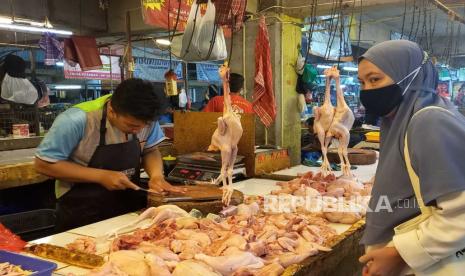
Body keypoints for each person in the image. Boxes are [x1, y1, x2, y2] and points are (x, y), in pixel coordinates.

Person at [357, 40, 465, 276]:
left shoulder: (430, 121)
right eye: (362, 82)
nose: (366, 90)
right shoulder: (400, 119)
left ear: (410, 76)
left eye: (375, 79)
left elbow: (460, 215)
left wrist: (400, 253)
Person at [35, 78, 185, 231]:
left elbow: (149, 150)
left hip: (127, 209)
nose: (138, 131)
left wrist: (156, 176)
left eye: (144, 126)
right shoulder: (76, 119)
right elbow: (43, 164)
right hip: (81, 213)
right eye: (132, 126)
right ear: (112, 111)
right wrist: (101, 176)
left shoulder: (145, 119)